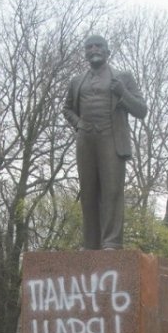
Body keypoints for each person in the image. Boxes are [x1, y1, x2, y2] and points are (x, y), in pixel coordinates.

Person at [63, 34, 147, 250]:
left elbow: (140, 110)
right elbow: (67, 108)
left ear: (108, 51)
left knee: (112, 191)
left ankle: (111, 242)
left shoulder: (123, 77)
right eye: (89, 47)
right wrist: (79, 123)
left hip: (111, 137)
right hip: (86, 139)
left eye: (98, 46)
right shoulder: (76, 81)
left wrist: (122, 92)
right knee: (88, 192)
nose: (94, 50)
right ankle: (90, 243)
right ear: (85, 53)